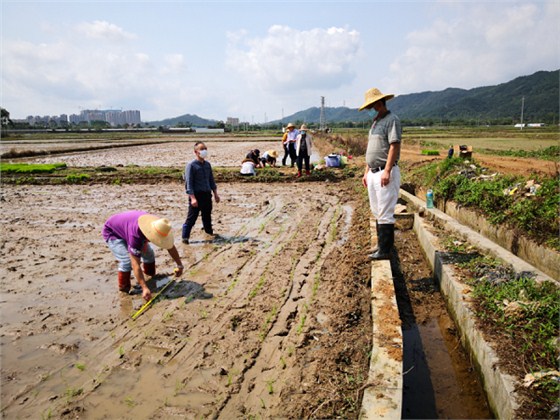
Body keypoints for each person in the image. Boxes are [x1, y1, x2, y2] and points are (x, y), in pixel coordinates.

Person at [359, 87, 402, 260]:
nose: (370, 111)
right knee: (377, 211)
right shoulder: (375, 123)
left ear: (378, 103)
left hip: (384, 172)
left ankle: (385, 251)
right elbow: (371, 150)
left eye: (371, 107)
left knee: (385, 212)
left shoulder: (392, 120)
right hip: (373, 172)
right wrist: (366, 172)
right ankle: (380, 246)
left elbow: (394, 145)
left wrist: (387, 170)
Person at [102, 211, 184, 301]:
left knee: (149, 254)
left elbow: (170, 247)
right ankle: (124, 289)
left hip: (129, 227)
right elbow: (135, 264)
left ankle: (150, 277)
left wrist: (179, 265)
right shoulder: (135, 235)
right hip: (113, 232)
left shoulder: (160, 224)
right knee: (126, 261)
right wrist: (144, 288)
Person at [182, 141, 221, 244]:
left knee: (207, 215)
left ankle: (209, 233)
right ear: (196, 152)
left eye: (205, 149)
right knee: (192, 217)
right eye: (202, 149)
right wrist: (193, 198)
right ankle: (185, 237)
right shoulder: (191, 165)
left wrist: (215, 194)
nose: (204, 151)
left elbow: (211, 180)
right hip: (196, 195)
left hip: (207, 195)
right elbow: (188, 183)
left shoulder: (207, 165)